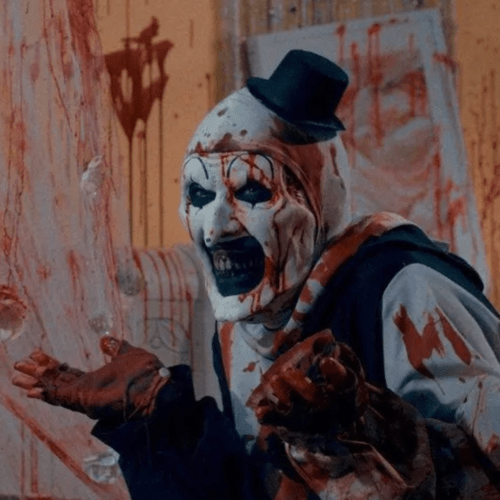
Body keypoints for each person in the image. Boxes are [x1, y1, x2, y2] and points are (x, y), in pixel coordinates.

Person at [12, 50, 500, 499]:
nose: (215, 228)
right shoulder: (241, 328)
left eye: (251, 191)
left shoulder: (406, 290)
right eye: (199, 195)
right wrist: (158, 421)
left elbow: (485, 473)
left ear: (319, 198)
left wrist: (357, 430)